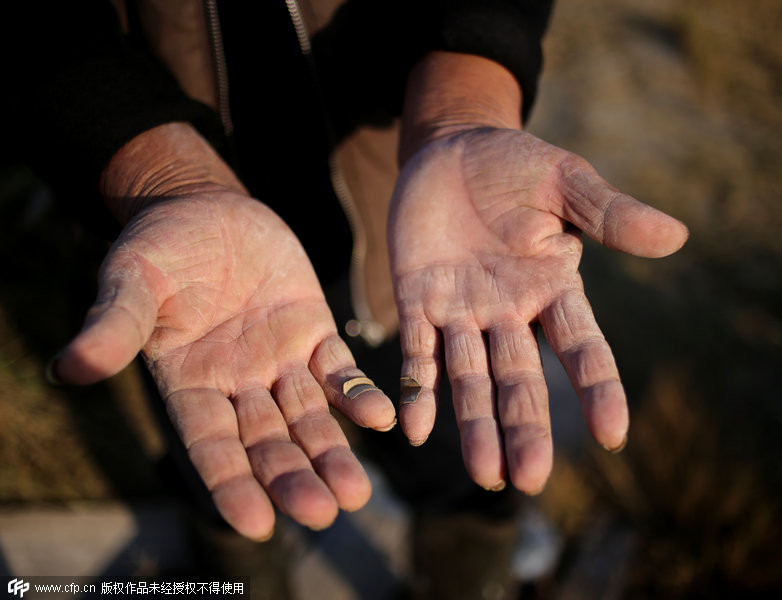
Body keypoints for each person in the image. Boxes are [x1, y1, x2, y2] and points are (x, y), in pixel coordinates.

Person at [6, 0, 688, 592]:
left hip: (415, 241)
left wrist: (463, 103)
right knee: (225, 461)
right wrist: (157, 173)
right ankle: (245, 581)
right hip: (203, 289)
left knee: (469, 456)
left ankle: (466, 580)